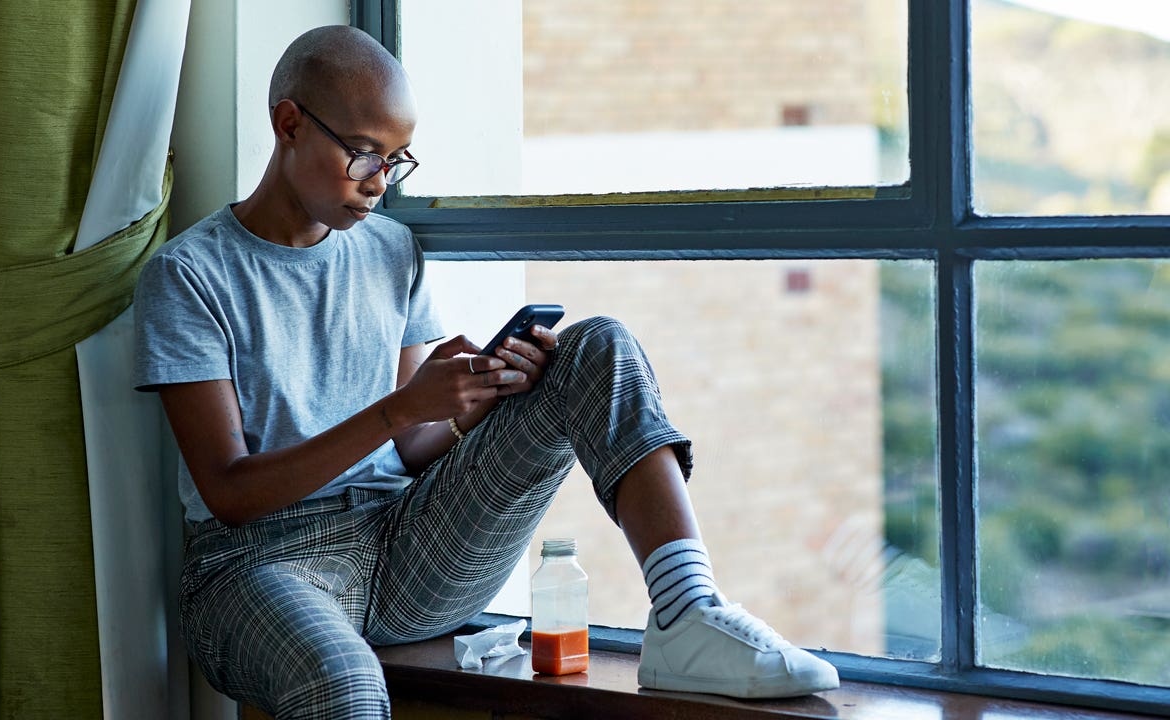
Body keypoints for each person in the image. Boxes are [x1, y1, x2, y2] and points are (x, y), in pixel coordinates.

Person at [133, 25, 839, 719]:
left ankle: (687, 611)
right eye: (364, 155)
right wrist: (399, 409)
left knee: (594, 347)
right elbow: (229, 491)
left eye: (397, 159)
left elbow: (412, 449)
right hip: (255, 568)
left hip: (405, 548)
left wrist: (464, 406)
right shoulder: (189, 275)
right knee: (341, 684)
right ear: (288, 124)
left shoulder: (390, 252)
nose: (380, 182)